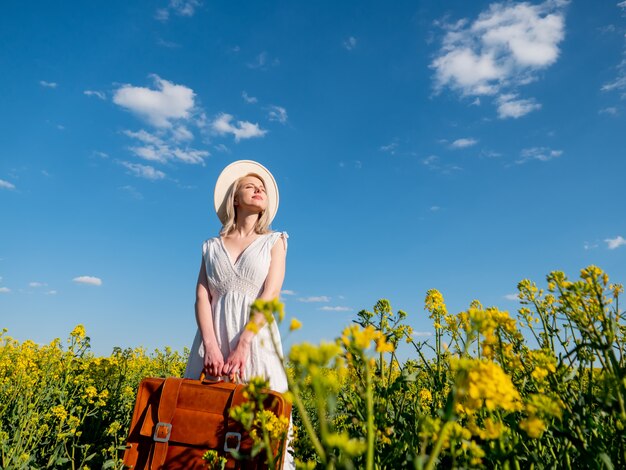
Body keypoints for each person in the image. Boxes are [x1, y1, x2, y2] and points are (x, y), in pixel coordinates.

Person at [185, 160, 289, 395]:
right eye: (250, 186)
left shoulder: (275, 241)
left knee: (260, 421)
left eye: (262, 188)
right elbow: (202, 297)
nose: (259, 190)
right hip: (212, 342)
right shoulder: (211, 246)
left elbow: (271, 294)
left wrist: (243, 345)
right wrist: (210, 346)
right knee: (202, 416)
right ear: (235, 199)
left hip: (255, 340)